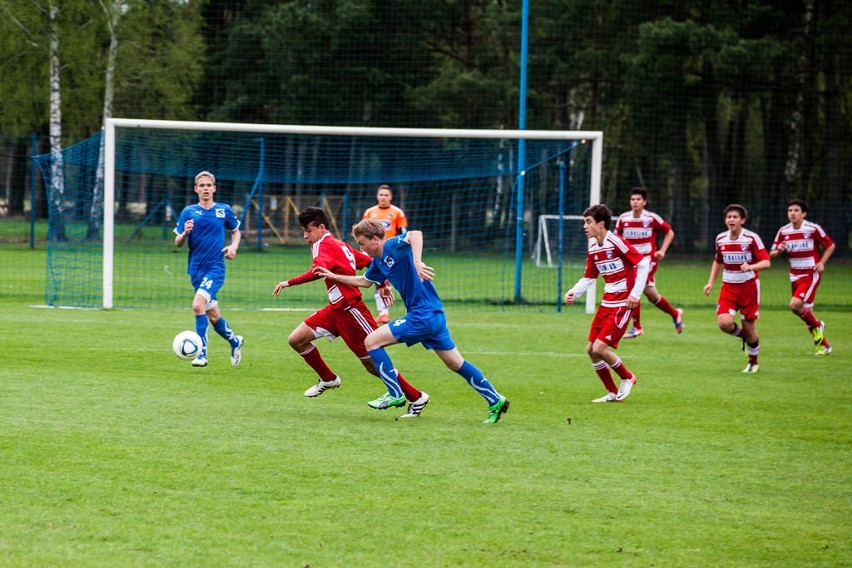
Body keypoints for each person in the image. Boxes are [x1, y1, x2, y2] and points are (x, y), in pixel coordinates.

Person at [313, 219, 509, 424]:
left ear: (375, 239)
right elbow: (364, 281)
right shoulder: (379, 262)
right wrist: (333, 276)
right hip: (434, 315)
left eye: (362, 243)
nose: (360, 248)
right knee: (454, 362)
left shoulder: (391, 245)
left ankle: (395, 393)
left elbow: (415, 234)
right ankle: (495, 399)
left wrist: (417, 262)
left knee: (371, 341)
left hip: (422, 315)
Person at [272, 207, 429, 418]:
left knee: (373, 364)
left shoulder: (322, 245)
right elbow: (368, 261)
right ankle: (328, 379)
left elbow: (318, 271)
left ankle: (416, 396)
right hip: (335, 310)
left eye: (308, 230)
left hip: (352, 311)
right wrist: (381, 283)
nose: (305, 236)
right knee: (297, 339)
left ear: (321, 227)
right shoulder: (340, 244)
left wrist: (288, 282)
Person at [564, 204, 650, 403]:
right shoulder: (594, 249)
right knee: (590, 350)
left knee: (600, 349)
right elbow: (588, 278)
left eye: (588, 222)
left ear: (601, 224)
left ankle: (628, 377)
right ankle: (612, 392)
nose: (585, 226)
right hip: (606, 304)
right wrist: (572, 293)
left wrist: (635, 295)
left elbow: (643, 263)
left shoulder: (616, 242)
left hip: (623, 304)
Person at [174, 171, 244, 367]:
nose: (205, 188)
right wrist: (184, 233)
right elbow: (178, 242)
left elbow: (235, 231)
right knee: (213, 317)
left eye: (208, 185)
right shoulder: (188, 212)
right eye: (201, 186)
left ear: (214, 188)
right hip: (196, 270)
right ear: (196, 189)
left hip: (215, 268)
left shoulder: (223, 210)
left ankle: (201, 353)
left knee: (197, 306)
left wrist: (233, 246)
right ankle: (235, 341)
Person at [703, 204, 771, 373]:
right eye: (729, 217)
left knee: (749, 328)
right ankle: (746, 338)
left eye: (735, 217)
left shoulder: (751, 238)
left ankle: (753, 362)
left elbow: (766, 262)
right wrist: (711, 282)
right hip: (729, 287)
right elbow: (718, 261)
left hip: (749, 287)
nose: (731, 220)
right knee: (724, 323)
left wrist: (751, 267)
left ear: (742, 220)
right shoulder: (721, 239)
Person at [614, 187, 683, 338]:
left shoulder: (651, 218)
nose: (635, 202)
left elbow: (669, 231)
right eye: (632, 199)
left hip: (647, 262)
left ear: (644, 202)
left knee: (634, 288)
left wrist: (662, 251)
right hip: (631, 262)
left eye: (638, 199)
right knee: (651, 295)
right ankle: (675, 313)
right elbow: (616, 238)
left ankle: (637, 327)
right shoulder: (623, 219)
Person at [770, 199, 835, 356]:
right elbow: (771, 254)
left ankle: (818, 326)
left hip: (810, 274)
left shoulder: (812, 229)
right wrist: (778, 250)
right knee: (806, 314)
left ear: (803, 213)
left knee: (794, 305)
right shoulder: (783, 231)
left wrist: (821, 263)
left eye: (796, 210)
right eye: (790, 210)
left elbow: (830, 245)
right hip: (794, 276)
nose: (792, 213)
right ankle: (824, 346)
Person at [362, 184, 407, 324]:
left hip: (390, 251)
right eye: (381, 195)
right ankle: (383, 313)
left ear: (391, 197)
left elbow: (404, 232)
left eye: (386, 195)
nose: (383, 197)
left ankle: (388, 311)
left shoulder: (397, 212)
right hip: (374, 252)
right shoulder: (370, 212)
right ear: (377, 196)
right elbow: (363, 231)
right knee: (378, 280)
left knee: (395, 279)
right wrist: (363, 249)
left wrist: (403, 248)